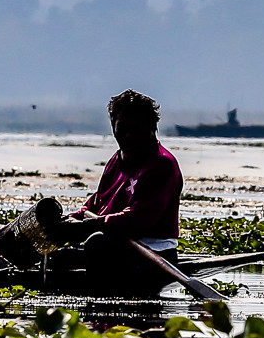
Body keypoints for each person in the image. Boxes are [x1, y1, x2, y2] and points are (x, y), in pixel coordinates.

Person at [53, 89, 183, 289]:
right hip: (116, 241)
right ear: (113, 125)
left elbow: (137, 220)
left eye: (136, 128)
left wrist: (88, 226)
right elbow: (97, 204)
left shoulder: (162, 165)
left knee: (97, 242)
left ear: (151, 128)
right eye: (122, 128)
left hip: (151, 253)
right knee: (60, 254)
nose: (128, 135)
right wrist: (73, 219)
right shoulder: (117, 159)